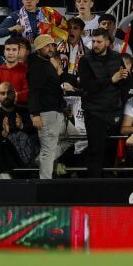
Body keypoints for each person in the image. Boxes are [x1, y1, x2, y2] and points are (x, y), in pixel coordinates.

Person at [27, 34, 78, 179]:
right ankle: (44, 186)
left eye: (52, 45)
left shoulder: (47, 63)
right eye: (46, 46)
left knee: (73, 135)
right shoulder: (37, 66)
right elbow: (34, 91)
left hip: (56, 112)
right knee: (48, 151)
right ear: (38, 49)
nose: (51, 48)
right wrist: (35, 114)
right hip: (45, 114)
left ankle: (40, 161)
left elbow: (53, 89)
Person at [79, 28, 127, 177]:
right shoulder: (85, 60)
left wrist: (126, 75)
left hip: (114, 111)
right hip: (94, 112)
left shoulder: (117, 57)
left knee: (111, 150)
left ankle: (107, 185)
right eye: (93, 41)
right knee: (95, 150)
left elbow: (123, 80)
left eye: (99, 41)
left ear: (107, 42)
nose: (95, 45)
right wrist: (111, 80)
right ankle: (94, 186)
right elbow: (87, 85)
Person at [0, 0, 66, 41]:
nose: (29, 1)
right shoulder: (15, 15)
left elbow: (64, 28)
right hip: (22, 56)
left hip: (42, 55)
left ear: (37, 0)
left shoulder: (46, 14)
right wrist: (12, 28)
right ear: (22, 0)